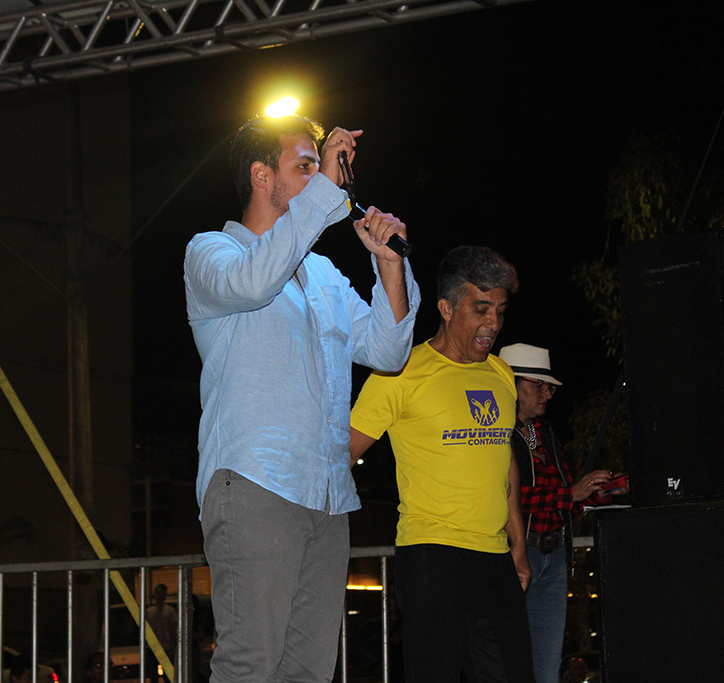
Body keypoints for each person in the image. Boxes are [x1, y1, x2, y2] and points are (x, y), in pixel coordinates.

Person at [184, 114, 420, 683]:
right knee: (250, 662)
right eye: (306, 166)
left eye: (321, 168)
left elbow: (387, 352)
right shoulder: (212, 252)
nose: (321, 179)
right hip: (255, 481)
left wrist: (390, 265)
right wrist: (325, 193)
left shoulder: (323, 274)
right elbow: (254, 281)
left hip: (328, 495)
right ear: (262, 176)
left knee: (308, 670)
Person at [349, 245, 534, 682]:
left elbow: (503, 459)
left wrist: (518, 543)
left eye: (500, 311)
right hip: (432, 555)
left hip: (495, 558)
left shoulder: (501, 375)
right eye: (481, 309)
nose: (493, 324)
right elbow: (343, 453)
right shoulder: (399, 373)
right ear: (446, 308)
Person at [498, 343, 625, 683]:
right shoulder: (494, 432)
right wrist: (573, 493)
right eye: (539, 385)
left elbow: (564, 497)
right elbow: (506, 496)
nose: (548, 394)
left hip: (552, 556)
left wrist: (599, 492)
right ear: (511, 385)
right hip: (515, 555)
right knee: (509, 657)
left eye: (549, 387)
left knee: (546, 663)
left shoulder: (544, 432)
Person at [145, 583, 178, 674]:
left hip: (166, 647)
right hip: (152, 647)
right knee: (153, 674)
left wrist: (173, 646)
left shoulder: (169, 610)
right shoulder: (149, 612)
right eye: (159, 594)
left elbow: (173, 629)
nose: (161, 596)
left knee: (168, 673)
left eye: (163, 594)